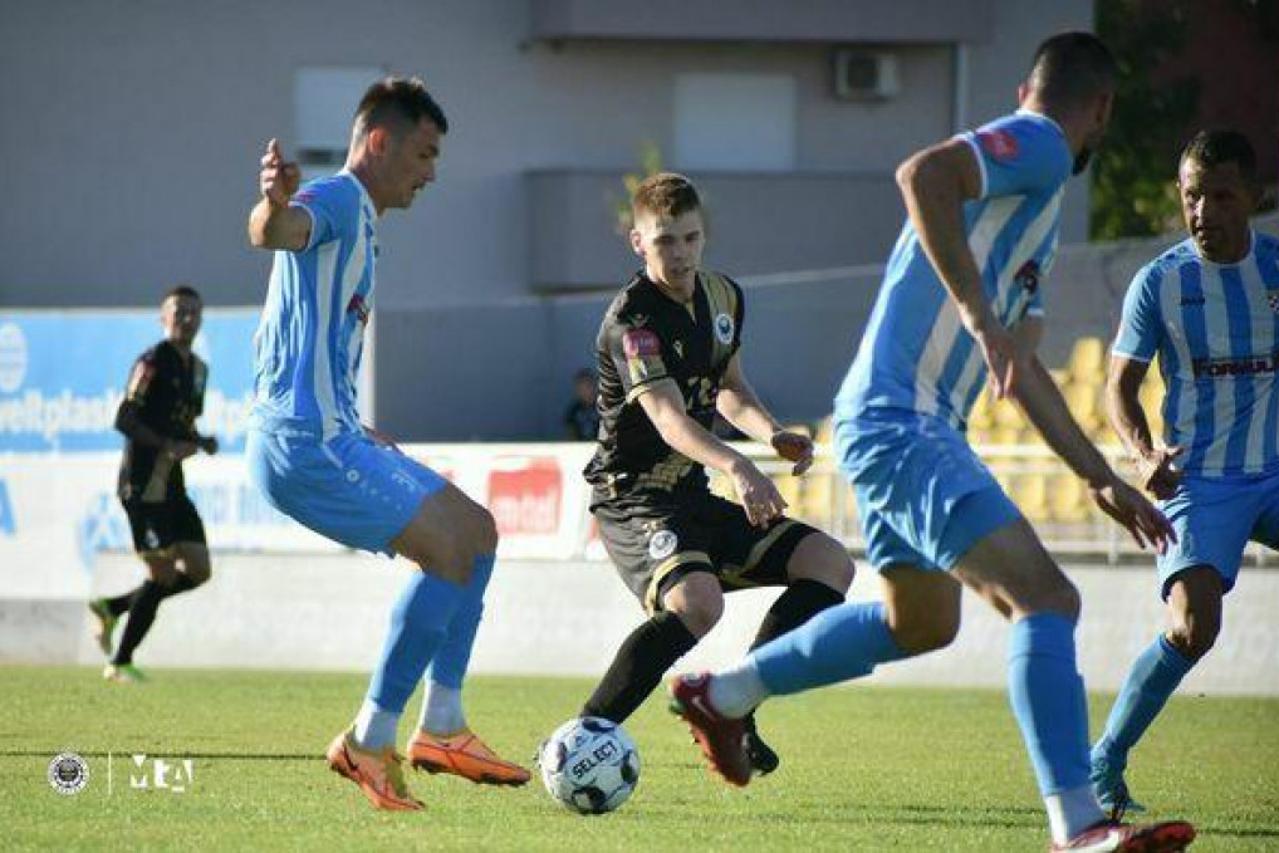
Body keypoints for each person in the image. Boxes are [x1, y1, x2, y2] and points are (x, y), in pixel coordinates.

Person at [667, 33, 1197, 851]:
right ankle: (1076, 824)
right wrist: (979, 315)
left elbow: (1020, 368)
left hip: (896, 425)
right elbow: (921, 175)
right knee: (1046, 599)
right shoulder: (1041, 143)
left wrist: (1099, 476)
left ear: (1024, 87)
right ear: (1101, 109)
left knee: (919, 622)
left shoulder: (1032, 220)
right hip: (901, 419)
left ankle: (723, 693)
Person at [244, 76, 528, 811]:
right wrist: (273, 204)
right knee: (446, 552)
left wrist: (352, 417)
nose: (431, 173)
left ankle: (442, 723)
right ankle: (370, 738)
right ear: (379, 142)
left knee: (477, 532)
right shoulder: (339, 200)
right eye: (425, 154)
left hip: (334, 433)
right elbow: (276, 231)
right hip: (305, 444)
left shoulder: (363, 221)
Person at [579, 172, 855, 776]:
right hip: (633, 499)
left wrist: (770, 433)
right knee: (698, 604)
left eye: (690, 238)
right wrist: (739, 466)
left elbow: (728, 388)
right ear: (638, 242)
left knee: (830, 564)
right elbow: (668, 419)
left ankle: (733, 707)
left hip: (691, 493)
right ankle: (584, 735)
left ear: (703, 235)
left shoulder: (723, 296)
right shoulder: (633, 321)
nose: (679, 254)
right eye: (664, 241)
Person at [1090, 129, 1277, 819]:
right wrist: (1144, 456)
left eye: (1220, 196)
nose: (1202, 211)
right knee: (1194, 627)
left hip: (1275, 470)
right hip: (1196, 479)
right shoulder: (1160, 282)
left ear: (1252, 197)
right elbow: (1118, 386)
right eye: (1192, 196)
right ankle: (1103, 762)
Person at [89, 286, 218, 684]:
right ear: (163, 318)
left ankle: (113, 607)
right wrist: (167, 445)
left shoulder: (199, 370)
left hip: (173, 484)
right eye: (179, 312)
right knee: (161, 575)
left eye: (194, 312)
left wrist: (200, 441)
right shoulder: (151, 362)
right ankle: (120, 661)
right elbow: (124, 417)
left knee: (199, 569)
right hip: (143, 485)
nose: (187, 319)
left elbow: (183, 423)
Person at [564, 368, 601, 440]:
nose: (586, 392)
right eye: (581, 389)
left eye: (588, 386)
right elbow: (571, 434)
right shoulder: (574, 411)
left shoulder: (604, 407)